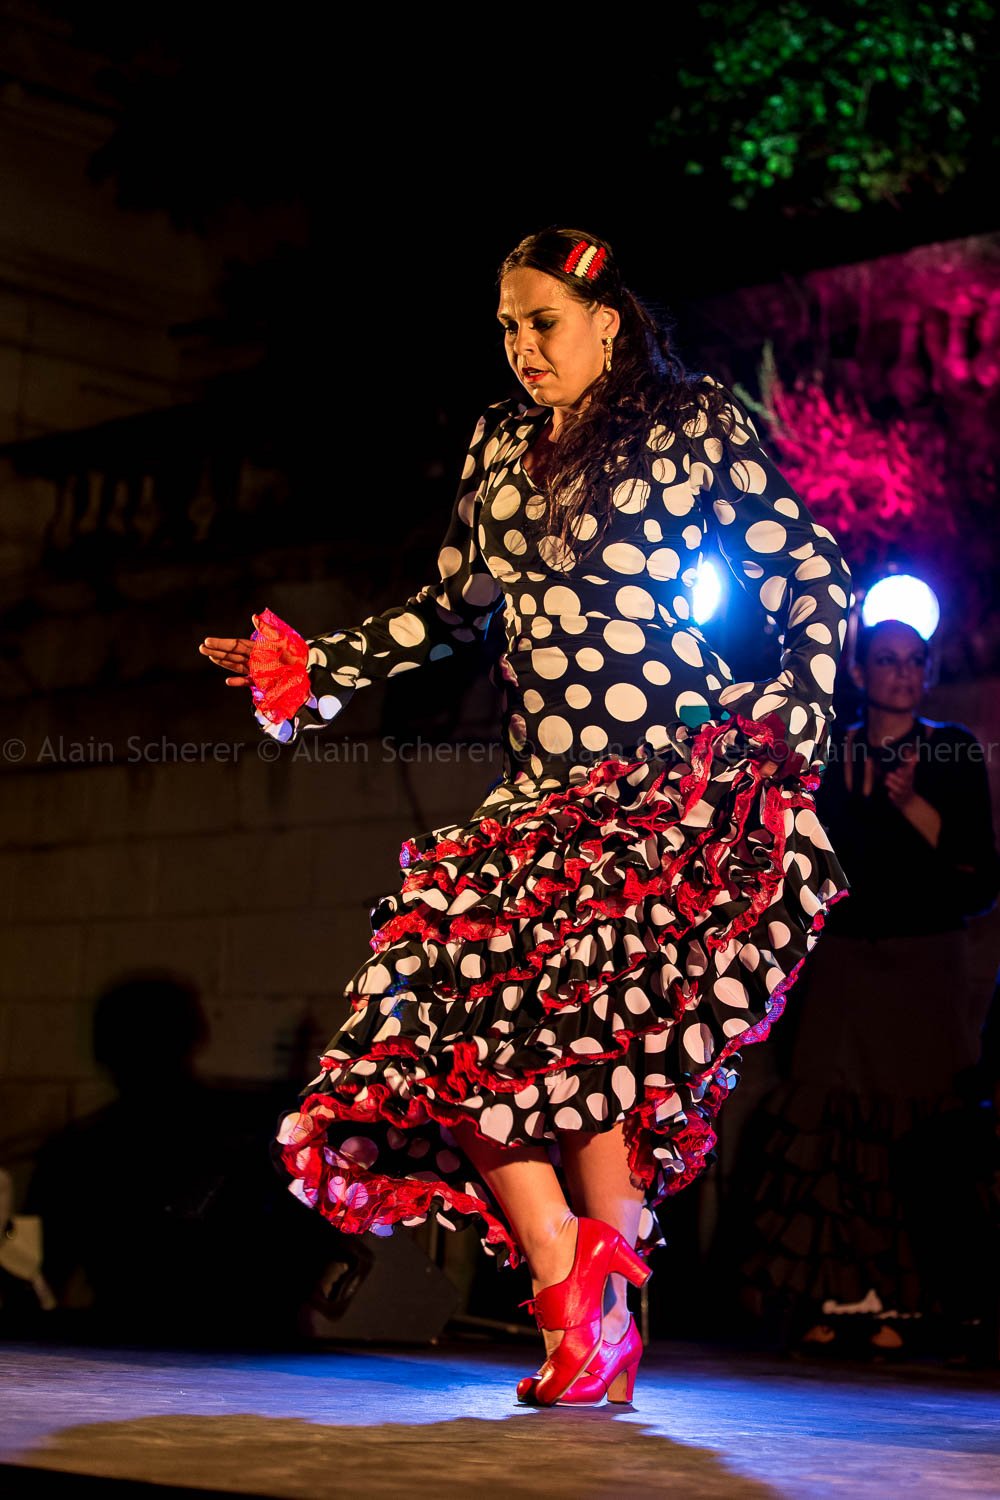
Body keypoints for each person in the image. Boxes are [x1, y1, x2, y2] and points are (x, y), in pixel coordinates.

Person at [200, 226, 853, 1405]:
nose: (521, 346)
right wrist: (321, 664)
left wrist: (797, 708)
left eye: (541, 321)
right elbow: (455, 606)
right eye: (506, 326)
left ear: (607, 321)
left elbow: (807, 573)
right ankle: (568, 1274)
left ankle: (596, 1333)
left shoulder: (690, 424)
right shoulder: (501, 443)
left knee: (593, 1069)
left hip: (657, 780)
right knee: (445, 1039)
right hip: (535, 795)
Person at [734, 618, 1000, 1357]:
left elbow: (981, 876)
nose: (903, 673)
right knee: (829, 1120)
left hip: (924, 966)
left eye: (915, 660)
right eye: (887, 659)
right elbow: (806, 861)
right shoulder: (831, 748)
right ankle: (830, 1294)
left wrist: (913, 803)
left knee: (916, 1131)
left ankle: (907, 1302)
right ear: (860, 670)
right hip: (845, 963)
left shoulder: (952, 748)